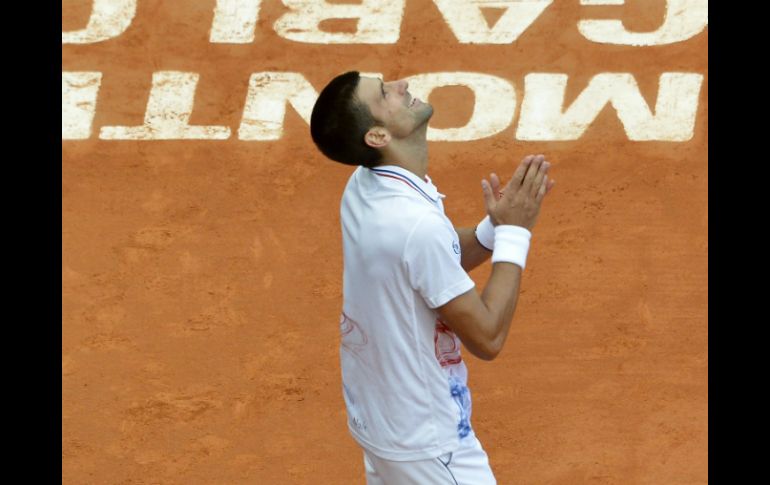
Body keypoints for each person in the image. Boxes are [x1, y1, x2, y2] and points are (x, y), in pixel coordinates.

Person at [310, 71, 555, 484]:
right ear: (376, 137)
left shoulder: (365, 186)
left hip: (383, 425)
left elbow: (427, 263)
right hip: (429, 447)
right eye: (385, 93)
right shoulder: (413, 225)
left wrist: (490, 231)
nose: (401, 85)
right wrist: (515, 233)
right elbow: (488, 336)